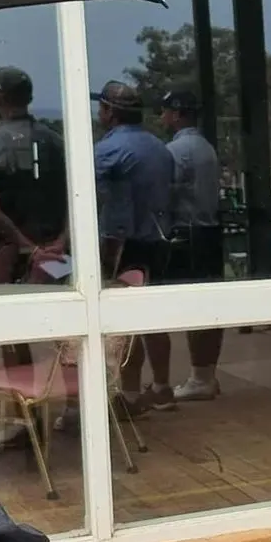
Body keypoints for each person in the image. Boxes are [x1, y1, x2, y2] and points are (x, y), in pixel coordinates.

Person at [92, 79, 176, 411]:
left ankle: (128, 394)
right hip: (159, 240)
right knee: (154, 318)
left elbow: (87, 195)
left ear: (110, 112)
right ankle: (162, 387)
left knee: (123, 322)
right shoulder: (160, 147)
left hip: (122, 244)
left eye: (101, 107)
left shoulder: (108, 149)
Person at [0, 66, 68, 288]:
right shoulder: (57, 142)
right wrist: (61, 242)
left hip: (8, 257)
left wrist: (29, 249)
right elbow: (79, 198)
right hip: (57, 257)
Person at [159, 88, 226, 402]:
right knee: (210, 305)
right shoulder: (206, 148)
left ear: (177, 114)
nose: (162, 116)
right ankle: (205, 375)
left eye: (165, 111)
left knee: (189, 305)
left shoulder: (176, 150)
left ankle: (198, 378)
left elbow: (162, 194)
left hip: (187, 233)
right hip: (210, 232)